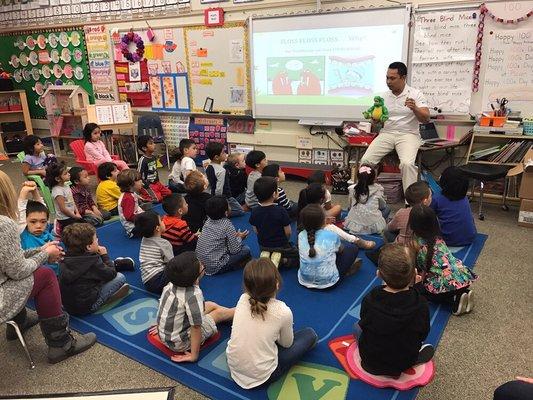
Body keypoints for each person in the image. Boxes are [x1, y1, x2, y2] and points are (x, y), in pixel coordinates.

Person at [0, 170, 96, 364]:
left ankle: (18, 321)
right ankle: (60, 344)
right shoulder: (4, 224)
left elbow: (8, 260)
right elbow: (17, 270)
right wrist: (45, 254)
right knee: (44, 275)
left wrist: (40, 251)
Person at [226, 258, 318, 389]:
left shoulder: (243, 299)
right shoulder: (283, 311)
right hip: (263, 376)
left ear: (247, 286)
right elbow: (287, 344)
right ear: (277, 283)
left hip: (234, 368)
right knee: (310, 334)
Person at [355, 243, 433, 376]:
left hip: (369, 360)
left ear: (378, 274)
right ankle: (415, 358)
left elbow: (364, 322)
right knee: (417, 343)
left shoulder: (370, 298)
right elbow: (423, 334)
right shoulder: (420, 303)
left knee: (356, 327)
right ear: (414, 273)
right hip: (403, 361)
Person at [360, 62, 430, 192]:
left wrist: (415, 108)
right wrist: (375, 121)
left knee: (407, 164)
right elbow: (378, 123)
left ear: (403, 78)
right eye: (387, 77)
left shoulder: (415, 94)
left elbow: (426, 118)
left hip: (408, 134)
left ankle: (410, 203)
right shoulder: (382, 97)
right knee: (366, 160)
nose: (388, 81)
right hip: (387, 133)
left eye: (392, 78)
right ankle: (364, 195)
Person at [155, 251, 234, 362]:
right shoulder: (193, 295)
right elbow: (196, 327)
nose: (202, 265)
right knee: (218, 313)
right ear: (196, 276)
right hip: (181, 343)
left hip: (166, 336)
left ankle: (230, 314)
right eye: (202, 267)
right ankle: (240, 312)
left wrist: (163, 326)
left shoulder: (170, 285)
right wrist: (193, 356)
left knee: (211, 304)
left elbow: (164, 307)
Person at [409, 205, 477, 316]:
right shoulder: (438, 238)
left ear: (412, 224)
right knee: (445, 279)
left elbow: (420, 269)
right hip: (462, 277)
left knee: (421, 291)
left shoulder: (418, 245)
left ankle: (455, 299)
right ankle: (463, 292)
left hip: (445, 285)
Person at [60, 223, 131, 315]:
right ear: (88, 247)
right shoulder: (93, 260)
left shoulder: (63, 258)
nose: (97, 240)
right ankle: (107, 299)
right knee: (120, 277)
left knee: (97, 272)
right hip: (87, 307)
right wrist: (104, 255)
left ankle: (114, 264)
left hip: (68, 305)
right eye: (95, 239)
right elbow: (112, 274)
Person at [298, 204, 360, 289]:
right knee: (352, 248)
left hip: (304, 280)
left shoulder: (300, 235)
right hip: (329, 283)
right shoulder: (331, 235)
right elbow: (341, 250)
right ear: (324, 221)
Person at [297, 183, 376, 250]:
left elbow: (309, 224)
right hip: (319, 244)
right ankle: (358, 241)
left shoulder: (305, 210)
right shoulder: (324, 221)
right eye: (325, 193)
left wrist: (324, 221)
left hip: (308, 239)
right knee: (351, 248)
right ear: (321, 199)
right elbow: (340, 248)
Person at [196, 196, 251, 275]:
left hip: (200, 264)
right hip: (214, 266)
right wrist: (240, 238)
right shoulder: (227, 224)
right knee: (246, 249)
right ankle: (233, 266)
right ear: (226, 212)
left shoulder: (207, 221)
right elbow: (234, 250)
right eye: (229, 205)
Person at [249, 177, 298, 266]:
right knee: (298, 255)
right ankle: (283, 261)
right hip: (281, 245)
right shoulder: (281, 211)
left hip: (263, 245)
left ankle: (266, 255)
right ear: (274, 194)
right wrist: (284, 241)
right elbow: (288, 232)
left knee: (268, 249)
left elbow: (256, 231)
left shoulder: (254, 211)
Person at [431, 166, 477, 246]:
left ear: (444, 182)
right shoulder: (465, 197)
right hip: (470, 237)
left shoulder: (436, 198)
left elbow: (426, 215)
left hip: (447, 240)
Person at [136, 211, 174, 294]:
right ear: (157, 228)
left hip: (147, 281)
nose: (163, 221)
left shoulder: (144, 239)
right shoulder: (164, 244)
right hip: (159, 280)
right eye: (161, 220)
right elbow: (172, 264)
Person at [343, 165, 389, 235]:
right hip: (373, 226)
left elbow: (350, 206)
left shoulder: (352, 189)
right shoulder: (378, 189)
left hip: (354, 226)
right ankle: (381, 231)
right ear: (374, 178)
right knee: (387, 208)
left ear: (358, 177)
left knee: (351, 209)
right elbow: (382, 206)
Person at [20, 200, 59, 276]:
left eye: (43, 222)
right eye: (33, 222)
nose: (39, 226)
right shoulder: (22, 236)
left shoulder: (47, 234)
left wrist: (35, 191)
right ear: (25, 221)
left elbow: (44, 208)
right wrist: (23, 193)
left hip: (55, 277)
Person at [205, 142, 244, 217]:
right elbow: (219, 188)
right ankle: (223, 215)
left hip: (213, 195)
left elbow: (208, 184)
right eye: (223, 152)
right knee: (240, 211)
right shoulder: (221, 170)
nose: (226, 154)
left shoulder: (208, 167)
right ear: (216, 157)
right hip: (225, 197)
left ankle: (220, 213)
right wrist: (219, 201)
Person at [46, 162, 82, 232]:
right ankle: (59, 229)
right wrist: (75, 216)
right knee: (78, 232)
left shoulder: (66, 185)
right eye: (65, 173)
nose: (69, 174)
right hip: (64, 218)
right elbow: (63, 209)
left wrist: (77, 212)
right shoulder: (57, 191)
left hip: (71, 215)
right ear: (58, 179)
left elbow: (72, 200)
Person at [137, 135, 172, 203]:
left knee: (169, 193)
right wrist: (145, 185)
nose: (154, 145)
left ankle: (155, 193)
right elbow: (138, 175)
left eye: (153, 142)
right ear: (144, 148)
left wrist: (158, 182)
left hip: (156, 183)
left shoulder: (153, 157)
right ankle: (142, 196)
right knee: (157, 199)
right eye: (151, 143)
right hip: (148, 185)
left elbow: (155, 171)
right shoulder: (142, 160)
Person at [117, 169, 145, 238]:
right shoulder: (128, 198)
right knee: (155, 224)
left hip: (136, 220)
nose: (141, 181)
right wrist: (144, 217)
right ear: (131, 184)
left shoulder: (129, 193)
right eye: (138, 180)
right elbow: (129, 217)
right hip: (133, 227)